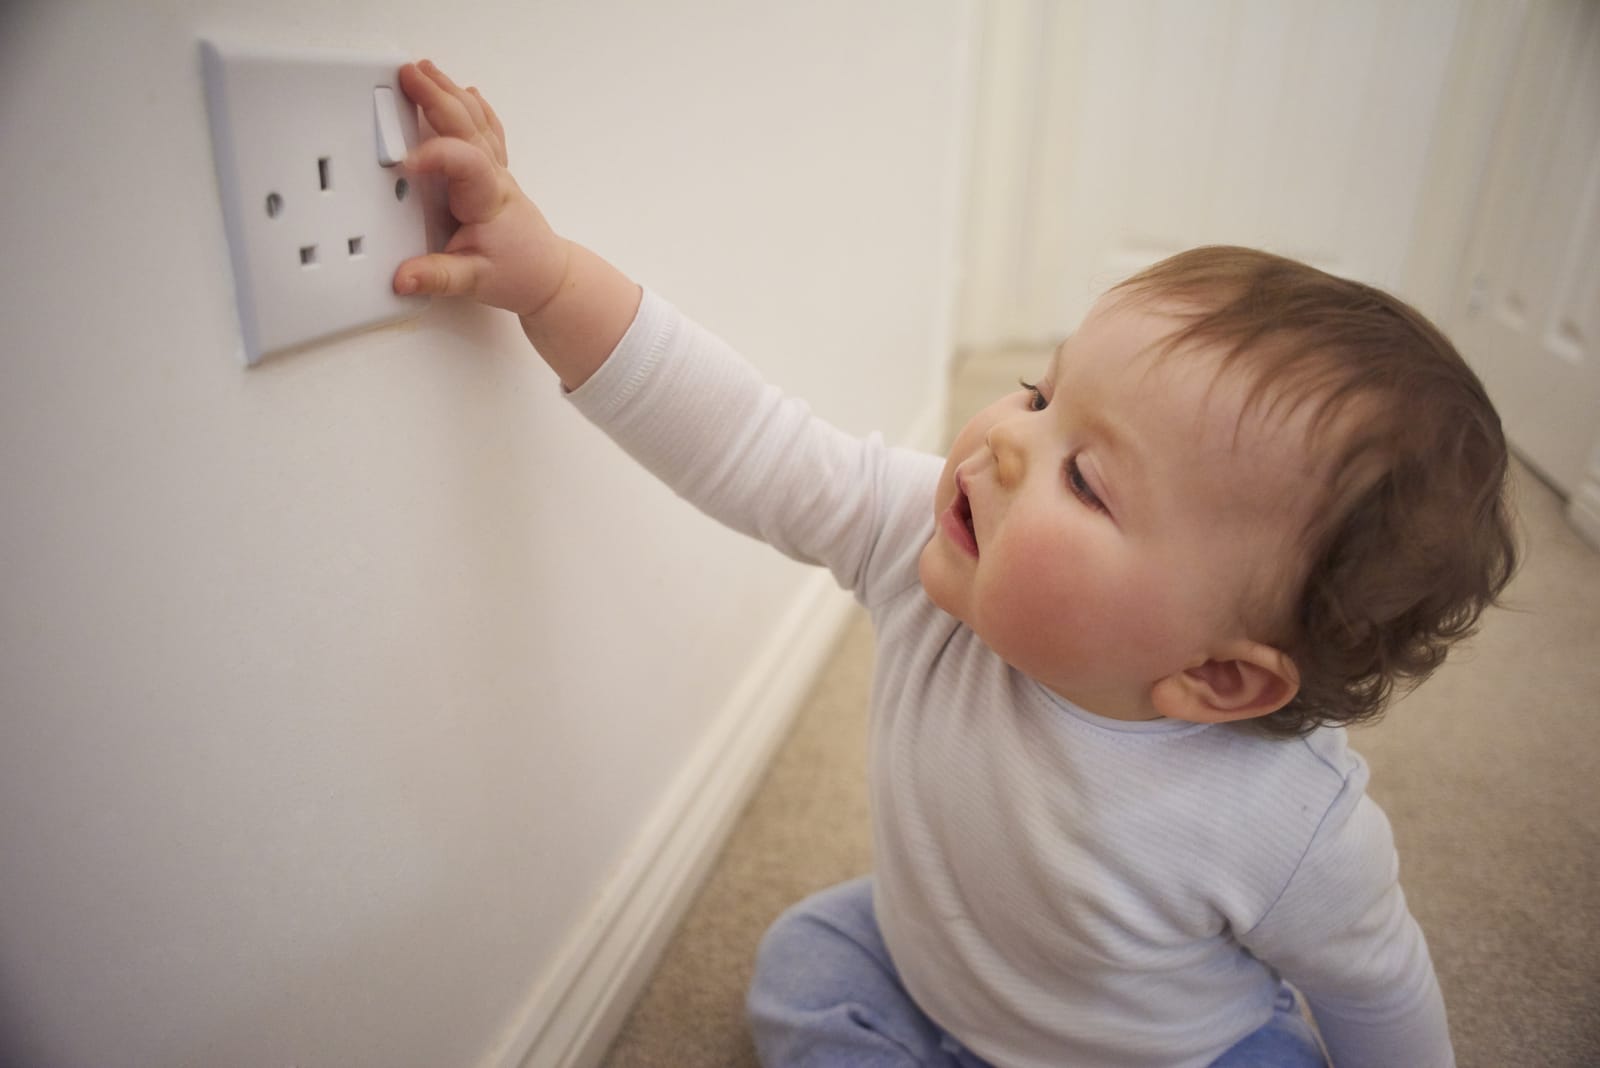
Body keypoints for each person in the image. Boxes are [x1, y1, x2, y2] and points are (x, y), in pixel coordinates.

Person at [393, 60, 1516, 1068]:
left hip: (1167, 1053)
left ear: (1216, 678)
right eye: (1040, 391)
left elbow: (1378, 993)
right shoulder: (930, 546)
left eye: (1085, 477)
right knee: (807, 959)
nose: (1005, 440)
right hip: (934, 977)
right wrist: (550, 283)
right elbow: (746, 439)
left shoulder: (1289, 825)